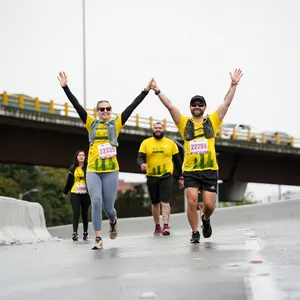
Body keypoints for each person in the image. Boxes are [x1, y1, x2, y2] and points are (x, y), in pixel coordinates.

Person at [58, 71, 153, 250]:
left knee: (109, 207)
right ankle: (98, 239)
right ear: (97, 112)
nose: (105, 111)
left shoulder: (116, 124)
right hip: (93, 169)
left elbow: (131, 107)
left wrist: (145, 91)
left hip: (110, 170)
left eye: (108, 109)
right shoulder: (90, 123)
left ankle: (113, 220)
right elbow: (76, 106)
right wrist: (65, 88)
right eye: (102, 109)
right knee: (96, 201)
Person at [151, 69, 243, 243]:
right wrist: (157, 91)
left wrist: (233, 85)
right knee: (192, 201)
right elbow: (171, 106)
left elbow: (226, 104)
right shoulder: (184, 123)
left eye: (200, 105)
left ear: (205, 107)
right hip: (191, 170)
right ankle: (194, 232)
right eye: (194, 105)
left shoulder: (213, 121)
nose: (197, 107)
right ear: (190, 107)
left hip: (209, 169)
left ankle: (205, 220)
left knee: (208, 206)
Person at [137, 122, 184, 236]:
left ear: (163, 130)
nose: (158, 130)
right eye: (156, 128)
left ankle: (166, 225)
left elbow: (177, 161)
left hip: (166, 175)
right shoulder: (146, 143)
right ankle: (157, 225)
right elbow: (140, 157)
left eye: (160, 128)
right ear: (153, 130)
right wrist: (141, 164)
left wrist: (181, 176)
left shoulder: (171, 143)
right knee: (155, 202)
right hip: (152, 176)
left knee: (165, 201)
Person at [63, 150, 91, 241]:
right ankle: (75, 233)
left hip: (86, 193)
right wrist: (65, 191)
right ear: (76, 157)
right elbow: (68, 181)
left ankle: (85, 233)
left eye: (83, 155)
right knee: (76, 213)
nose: (81, 156)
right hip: (75, 192)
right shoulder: (72, 168)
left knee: (84, 213)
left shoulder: (88, 168)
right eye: (79, 155)